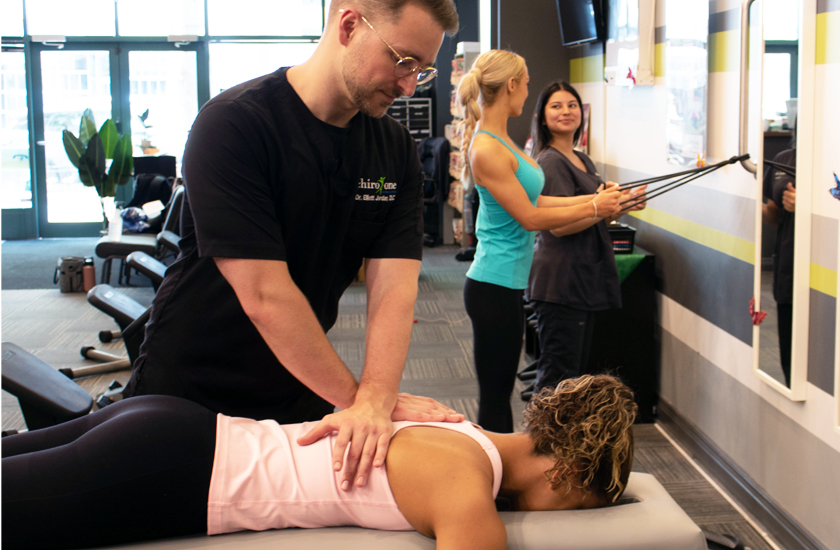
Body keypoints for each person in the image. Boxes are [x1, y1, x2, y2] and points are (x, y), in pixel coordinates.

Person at [122, 0, 463, 491]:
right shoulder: (235, 124)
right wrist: (361, 400)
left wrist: (376, 396)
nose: (408, 85)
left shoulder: (394, 150)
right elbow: (265, 295)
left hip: (302, 388)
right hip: (190, 387)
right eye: (403, 61)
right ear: (349, 25)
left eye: (422, 71)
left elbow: (394, 291)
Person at [2, 374, 637, 550]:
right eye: (581, 504)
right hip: (171, 475)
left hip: (170, 424)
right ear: (568, 474)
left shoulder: (454, 421)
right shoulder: (466, 489)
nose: (566, 515)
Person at [457, 51, 622, 433]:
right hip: (492, 285)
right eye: (527, 83)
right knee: (496, 396)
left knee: (501, 392)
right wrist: (596, 206)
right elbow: (531, 218)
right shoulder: (486, 148)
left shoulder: (503, 142)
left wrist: (597, 198)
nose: (528, 91)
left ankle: (505, 479)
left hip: (509, 284)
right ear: (511, 85)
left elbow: (537, 201)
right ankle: (496, 487)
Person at [525, 81, 647, 394]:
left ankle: (559, 442)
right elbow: (560, 226)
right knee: (557, 379)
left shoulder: (582, 159)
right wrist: (599, 206)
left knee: (574, 376)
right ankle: (539, 443)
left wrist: (623, 203)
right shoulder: (551, 162)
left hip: (582, 279)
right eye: (556, 106)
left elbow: (594, 216)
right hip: (561, 282)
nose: (566, 111)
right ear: (542, 116)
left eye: (572, 105)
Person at [762, 147, 796, 386]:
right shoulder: (784, 159)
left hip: (824, 270)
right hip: (787, 265)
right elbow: (772, 213)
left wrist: (808, 207)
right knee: (790, 352)